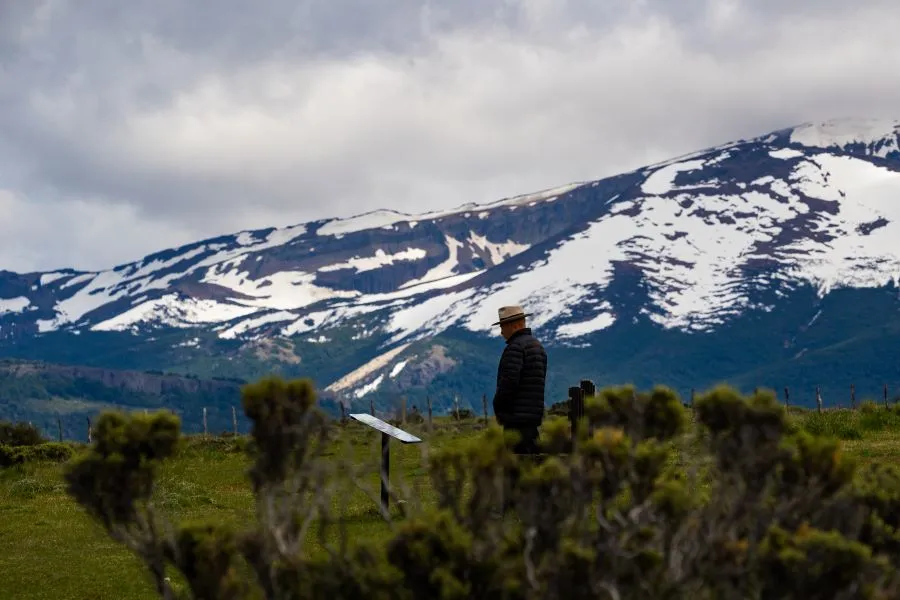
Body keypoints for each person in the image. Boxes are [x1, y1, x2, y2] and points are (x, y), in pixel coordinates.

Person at [491, 305, 547, 455]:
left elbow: (508, 383)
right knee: (533, 460)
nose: (501, 332)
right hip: (532, 419)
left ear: (513, 325)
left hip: (515, 421)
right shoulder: (537, 346)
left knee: (517, 462)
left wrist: (499, 407)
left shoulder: (515, 348)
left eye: (502, 326)